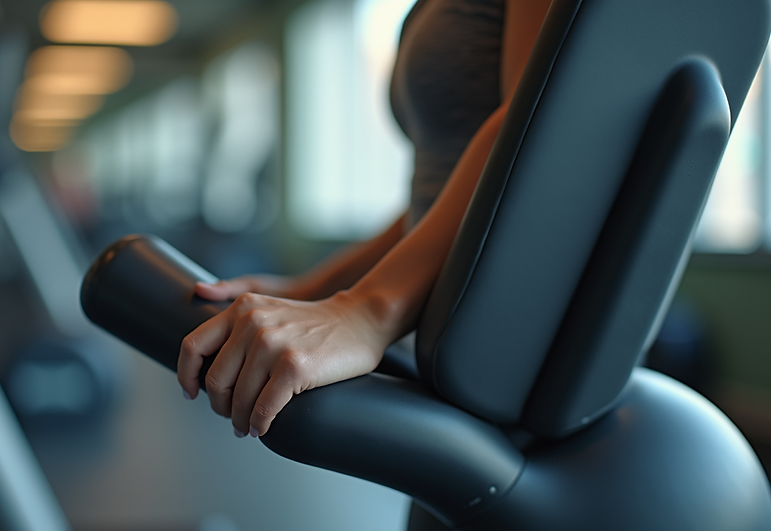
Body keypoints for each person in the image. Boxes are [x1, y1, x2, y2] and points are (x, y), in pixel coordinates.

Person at [178, 0, 554, 439]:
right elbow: (435, 197)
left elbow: (541, 116)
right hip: (442, 347)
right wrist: (320, 289)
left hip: (516, 347)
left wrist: (369, 311)